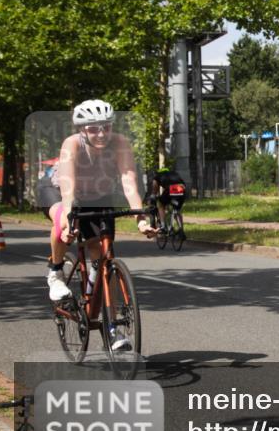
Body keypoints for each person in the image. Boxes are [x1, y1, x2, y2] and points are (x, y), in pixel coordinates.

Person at [45, 100, 155, 349]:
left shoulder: (120, 143)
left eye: (105, 127)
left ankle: (111, 328)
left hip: (98, 196)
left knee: (104, 260)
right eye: (93, 128)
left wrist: (141, 220)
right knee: (62, 220)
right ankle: (55, 272)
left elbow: (128, 181)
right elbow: (68, 189)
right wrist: (70, 218)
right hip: (61, 191)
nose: (101, 133)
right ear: (82, 130)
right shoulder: (72, 144)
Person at [151, 166, 186, 230]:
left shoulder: (157, 175)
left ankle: (163, 226)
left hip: (171, 188)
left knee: (160, 203)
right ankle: (181, 229)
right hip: (181, 187)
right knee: (177, 209)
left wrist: (153, 195)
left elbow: (154, 188)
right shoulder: (173, 173)